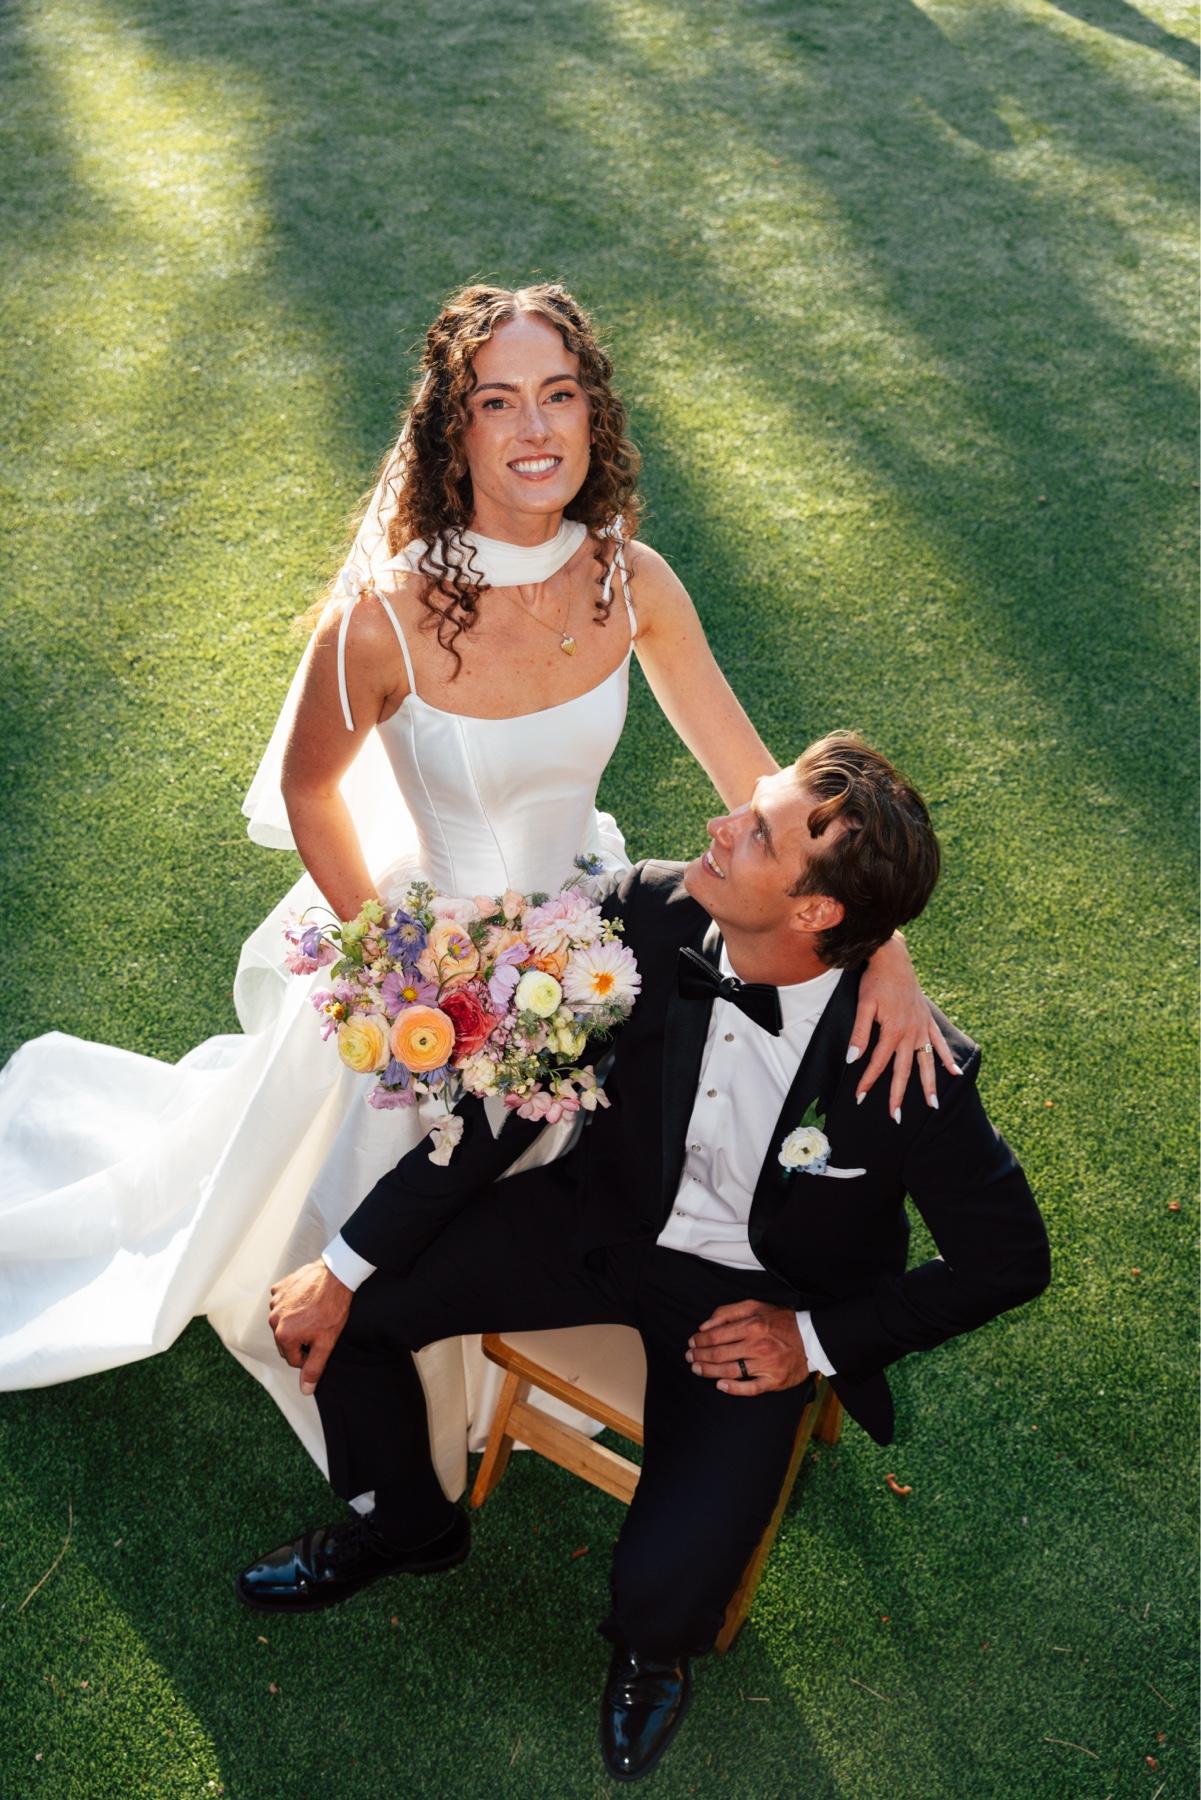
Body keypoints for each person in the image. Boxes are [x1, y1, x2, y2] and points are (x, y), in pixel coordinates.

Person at [0, 284, 948, 1501]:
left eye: (559, 394)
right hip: (434, 956)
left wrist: (884, 952)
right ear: (454, 432)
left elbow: (755, 779)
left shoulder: (631, 581)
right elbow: (310, 793)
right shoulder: (381, 620)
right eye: (498, 403)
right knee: (412, 1173)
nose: (535, 429)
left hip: (590, 944)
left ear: (594, 413)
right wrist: (401, 976)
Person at [242, 732, 1050, 1785]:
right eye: (747, 807)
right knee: (354, 1313)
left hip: (751, 1309)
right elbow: (497, 1113)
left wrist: (810, 1340)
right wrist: (343, 1266)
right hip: (595, 1222)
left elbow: (1008, 1260)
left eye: (756, 834)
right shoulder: (644, 912)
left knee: (665, 1595)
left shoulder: (910, 1064)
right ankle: (408, 1529)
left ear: (815, 914)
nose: (720, 823)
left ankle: (650, 1651)